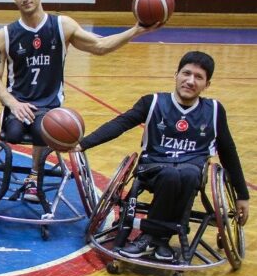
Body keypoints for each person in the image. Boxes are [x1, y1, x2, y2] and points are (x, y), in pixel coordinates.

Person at [0, 0, 153, 202]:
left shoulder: (62, 25)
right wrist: (12, 104)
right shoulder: (4, 35)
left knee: (42, 129)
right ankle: (29, 172)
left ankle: (34, 177)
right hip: (19, 106)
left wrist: (136, 30)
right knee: (13, 132)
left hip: (50, 107)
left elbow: (100, 46)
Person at [77, 51, 249, 261]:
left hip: (191, 170)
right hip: (154, 167)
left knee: (184, 174)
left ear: (207, 84)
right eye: (186, 73)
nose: (190, 81)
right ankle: (158, 239)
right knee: (172, 175)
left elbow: (228, 151)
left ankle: (151, 236)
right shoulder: (153, 102)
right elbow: (120, 124)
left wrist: (242, 195)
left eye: (198, 77)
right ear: (175, 75)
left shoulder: (214, 110)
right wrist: (83, 144)